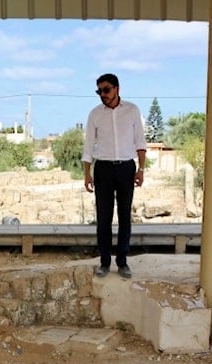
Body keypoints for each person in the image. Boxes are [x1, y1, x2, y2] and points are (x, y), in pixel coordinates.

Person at [81, 73, 147, 279]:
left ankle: (123, 262)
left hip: (126, 168)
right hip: (103, 170)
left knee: (125, 216)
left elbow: (140, 142)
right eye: (99, 91)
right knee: (103, 218)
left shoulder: (132, 111)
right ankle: (104, 262)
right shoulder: (95, 114)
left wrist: (141, 169)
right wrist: (87, 174)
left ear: (117, 89)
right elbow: (89, 146)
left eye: (106, 90)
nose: (103, 94)